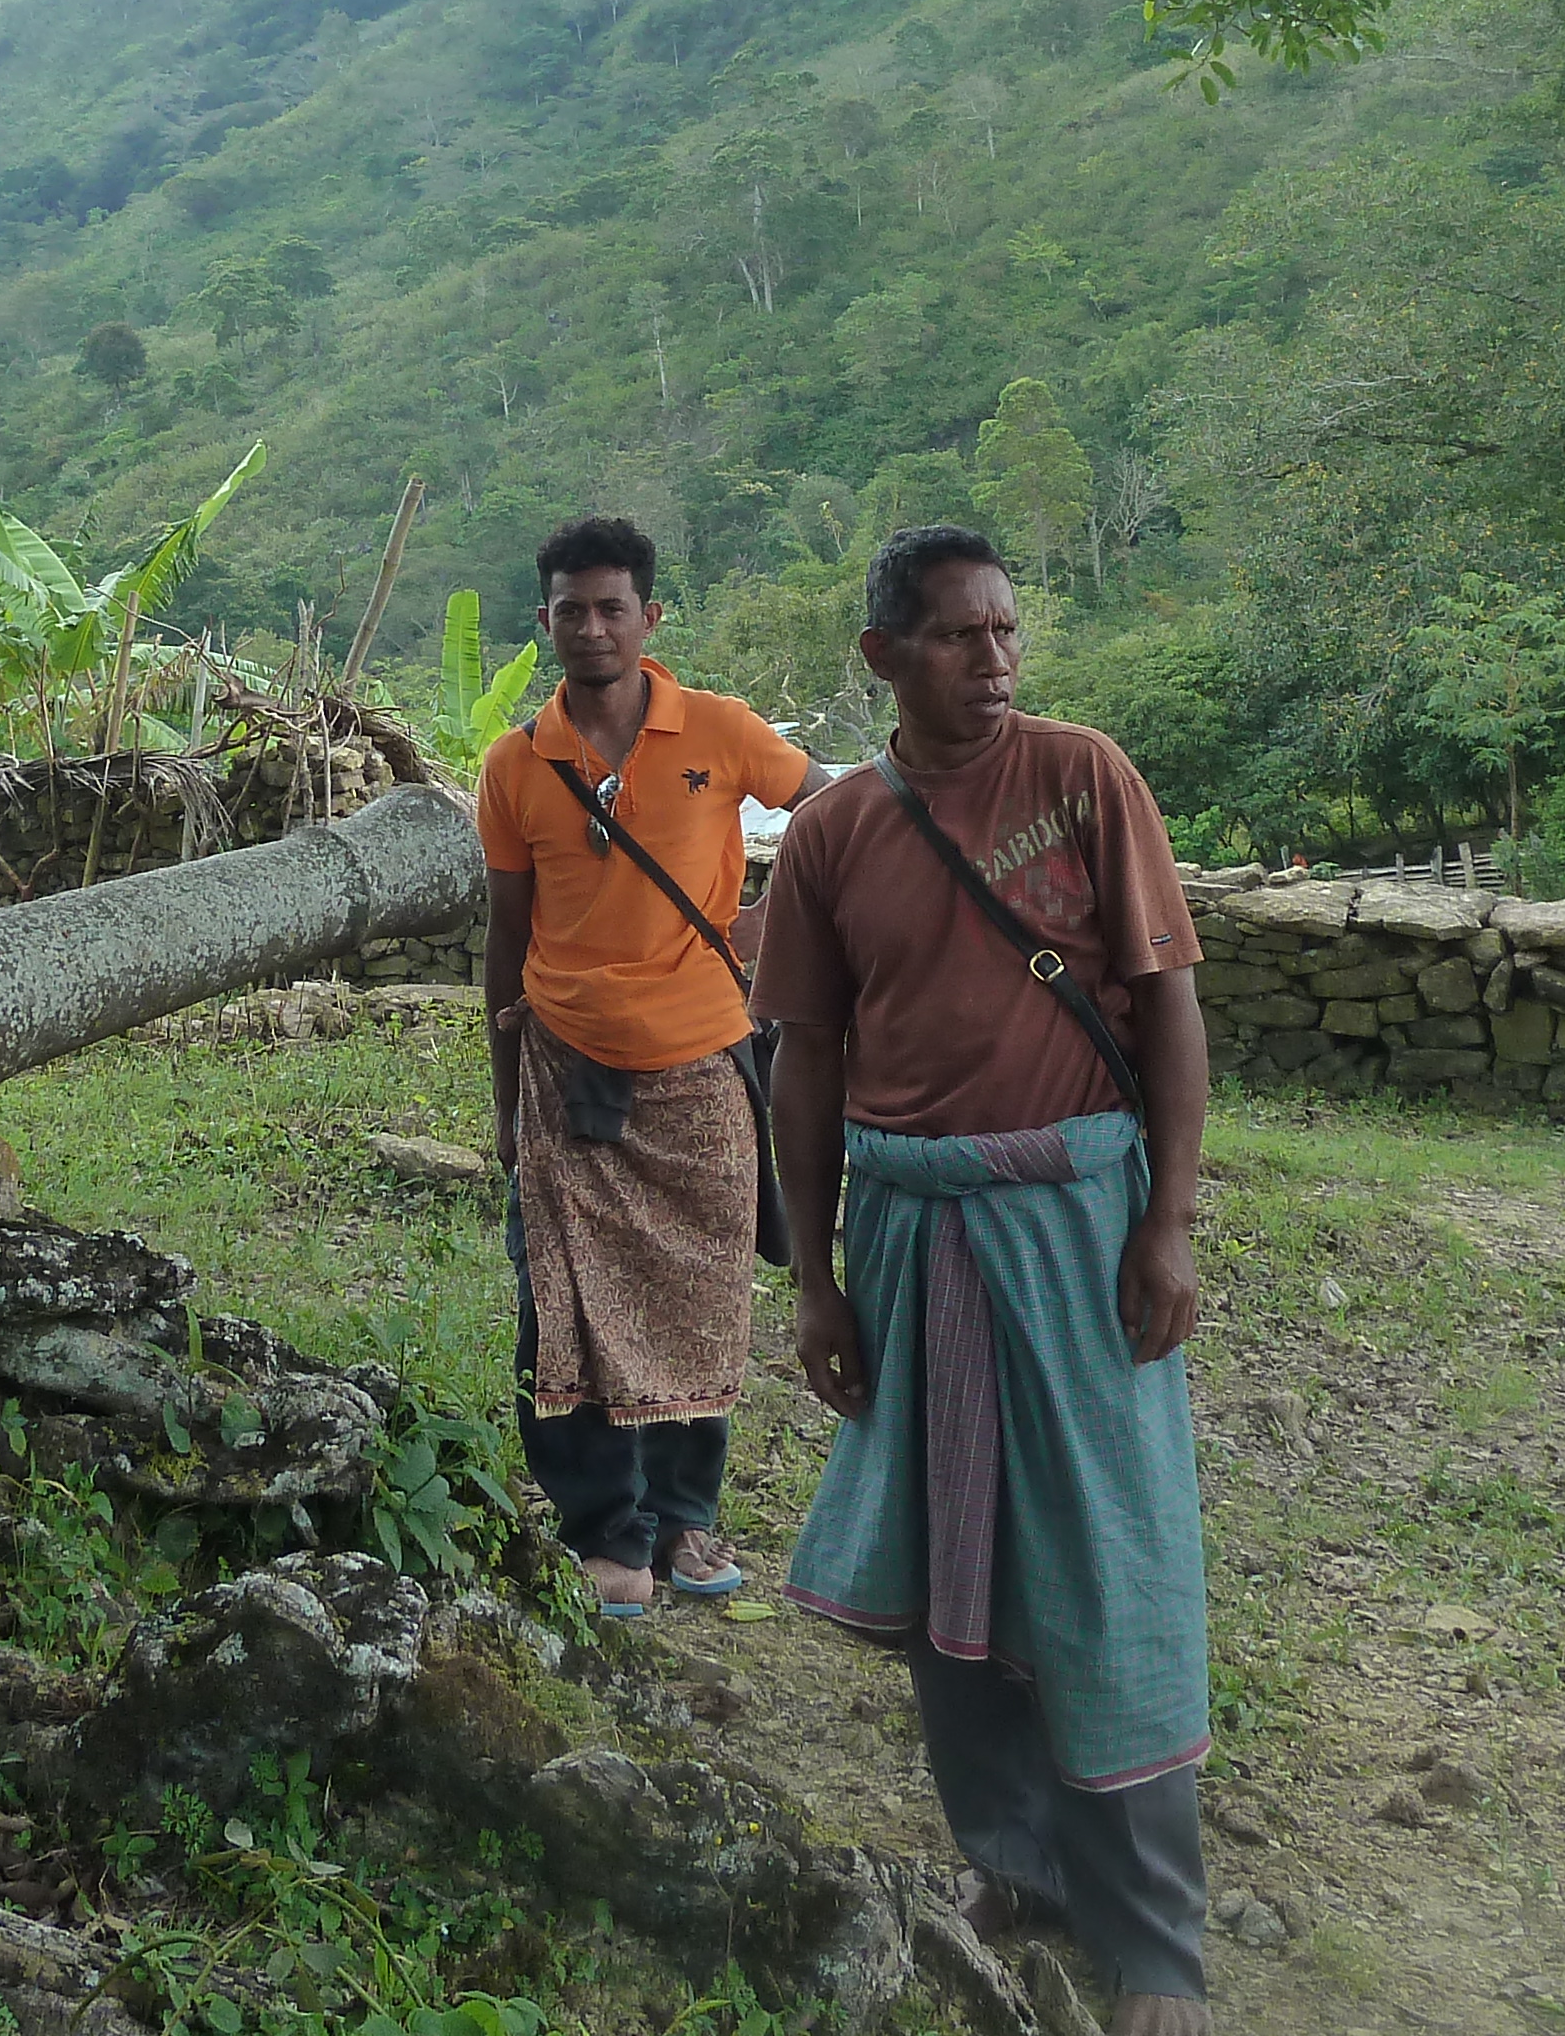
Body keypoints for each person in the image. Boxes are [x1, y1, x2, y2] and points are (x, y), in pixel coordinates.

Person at [754, 524, 1215, 2036]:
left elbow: (1167, 1007)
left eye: (1008, 631)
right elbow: (806, 1061)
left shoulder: (1085, 779)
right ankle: (1012, 1865)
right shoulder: (831, 837)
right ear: (883, 656)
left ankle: (1153, 1944)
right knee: (951, 1556)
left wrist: (1166, 1225)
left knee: (1107, 1562)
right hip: (909, 1235)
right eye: (960, 636)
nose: (997, 661)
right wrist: (815, 1278)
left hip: (1075, 1221)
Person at [478, 516, 820, 1616]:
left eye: (611, 607)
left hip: (703, 1058)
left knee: (700, 1292)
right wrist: (502, 1104)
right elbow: (507, 935)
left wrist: (771, 928)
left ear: (649, 617)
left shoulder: (720, 729)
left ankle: (683, 1520)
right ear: (545, 621)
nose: (592, 627)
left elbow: (838, 807)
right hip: (565, 1065)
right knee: (561, 1301)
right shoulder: (516, 764)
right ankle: (604, 1529)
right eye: (570, 609)